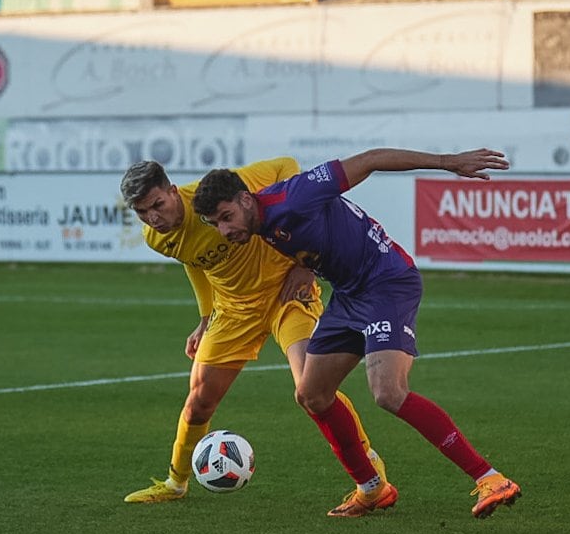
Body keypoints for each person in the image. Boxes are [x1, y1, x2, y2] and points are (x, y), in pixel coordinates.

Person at [191, 149, 522, 519]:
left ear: (245, 199)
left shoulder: (295, 195)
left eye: (226, 217)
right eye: (214, 223)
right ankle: (372, 488)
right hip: (348, 296)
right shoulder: (257, 225)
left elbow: (371, 159)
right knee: (312, 394)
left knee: (388, 393)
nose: (224, 229)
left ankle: (490, 478)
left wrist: (448, 163)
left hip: (386, 283)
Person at [119, 158, 386, 503]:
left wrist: (305, 264)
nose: (153, 217)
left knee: (311, 387)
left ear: (173, 191)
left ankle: (369, 467)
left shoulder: (209, 197)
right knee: (198, 402)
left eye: (158, 205)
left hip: (286, 295)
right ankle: (175, 483)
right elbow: (196, 263)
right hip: (233, 310)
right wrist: (205, 317)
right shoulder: (157, 237)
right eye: (143, 212)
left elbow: (286, 167)